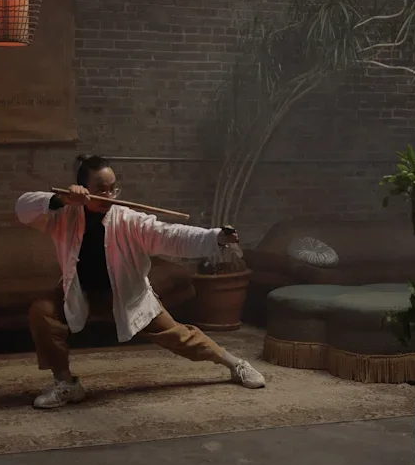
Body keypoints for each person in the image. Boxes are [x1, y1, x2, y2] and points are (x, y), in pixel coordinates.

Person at [16, 154, 266, 409]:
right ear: (84, 189)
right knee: (42, 312)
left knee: (180, 336)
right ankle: (66, 384)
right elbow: (23, 208)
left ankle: (235, 364)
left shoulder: (128, 220)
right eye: (101, 189)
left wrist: (217, 238)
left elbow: (172, 236)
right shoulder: (63, 214)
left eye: (113, 189)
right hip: (77, 292)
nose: (109, 195)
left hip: (125, 295)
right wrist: (61, 199)